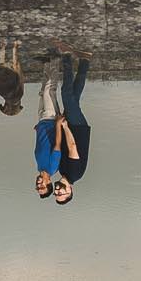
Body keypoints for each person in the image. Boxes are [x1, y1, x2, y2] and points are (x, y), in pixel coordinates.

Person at [33, 55, 79, 197]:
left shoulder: (40, 167)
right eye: (42, 186)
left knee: (43, 92)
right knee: (49, 90)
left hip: (42, 122)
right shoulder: (53, 167)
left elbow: (41, 144)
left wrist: (37, 130)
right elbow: (57, 144)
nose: (38, 184)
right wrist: (58, 124)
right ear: (49, 183)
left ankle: (47, 63)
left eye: (37, 187)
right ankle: (54, 61)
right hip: (52, 120)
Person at [51, 48, 92, 204]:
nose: (57, 191)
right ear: (70, 191)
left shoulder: (62, 171)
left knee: (74, 95)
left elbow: (62, 146)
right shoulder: (74, 174)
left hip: (74, 128)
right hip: (77, 129)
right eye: (61, 194)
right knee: (67, 95)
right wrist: (66, 127)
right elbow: (73, 147)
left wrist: (59, 127)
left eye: (56, 194)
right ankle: (66, 56)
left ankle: (85, 59)